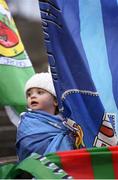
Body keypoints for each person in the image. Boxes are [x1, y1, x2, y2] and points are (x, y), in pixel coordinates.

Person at [16, 72, 76, 161]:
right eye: (29, 94)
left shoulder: (66, 122)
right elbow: (28, 146)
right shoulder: (27, 122)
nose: (32, 96)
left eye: (40, 92)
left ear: (55, 101)